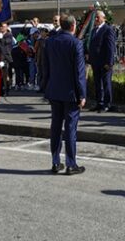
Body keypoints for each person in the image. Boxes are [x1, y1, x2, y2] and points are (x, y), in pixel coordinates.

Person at [42, 14, 87, 175]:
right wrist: (82, 94)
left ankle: (55, 162)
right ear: (73, 26)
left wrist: (45, 87)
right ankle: (71, 163)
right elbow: (79, 72)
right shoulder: (76, 43)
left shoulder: (50, 42)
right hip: (71, 92)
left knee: (55, 127)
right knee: (70, 129)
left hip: (54, 90)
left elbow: (45, 67)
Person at [87, 10, 116, 112]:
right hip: (96, 62)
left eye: (98, 17)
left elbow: (110, 47)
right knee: (97, 83)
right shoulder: (94, 30)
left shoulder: (108, 29)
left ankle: (107, 104)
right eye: (95, 17)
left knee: (106, 83)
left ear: (104, 18)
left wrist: (109, 62)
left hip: (105, 62)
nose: (96, 19)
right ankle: (99, 102)